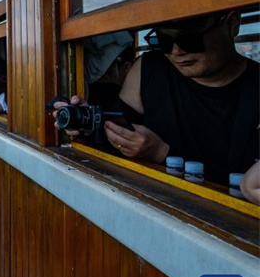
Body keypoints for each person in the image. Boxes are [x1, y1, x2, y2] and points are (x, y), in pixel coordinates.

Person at [54, 10, 259, 186]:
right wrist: (89, 121)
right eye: (164, 41)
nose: (177, 51)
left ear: (232, 24)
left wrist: (161, 152)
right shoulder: (149, 69)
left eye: (190, 39)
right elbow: (118, 133)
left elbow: (245, 186)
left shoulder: (254, 89)